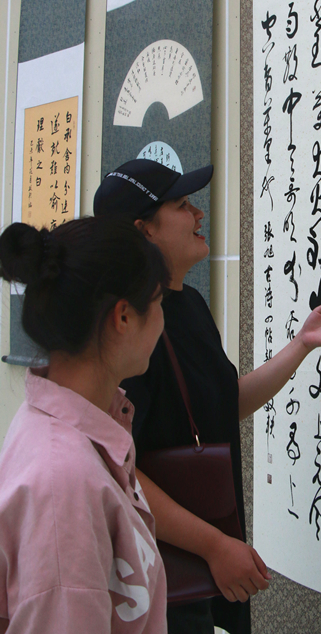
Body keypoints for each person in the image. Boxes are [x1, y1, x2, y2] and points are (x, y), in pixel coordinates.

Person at [93, 159, 321, 634]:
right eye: (182, 205)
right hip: (159, 571)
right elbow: (118, 466)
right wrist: (213, 545)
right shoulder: (126, 326)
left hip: (208, 556)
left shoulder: (189, 304)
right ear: (143, 230)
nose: (198, 214)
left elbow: (220, 407)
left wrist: (302, 344)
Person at [0, 216, 172, 634]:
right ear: (123, 317)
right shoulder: (64, 486)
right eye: (158, 303)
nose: (162, 321)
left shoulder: (71, 429)